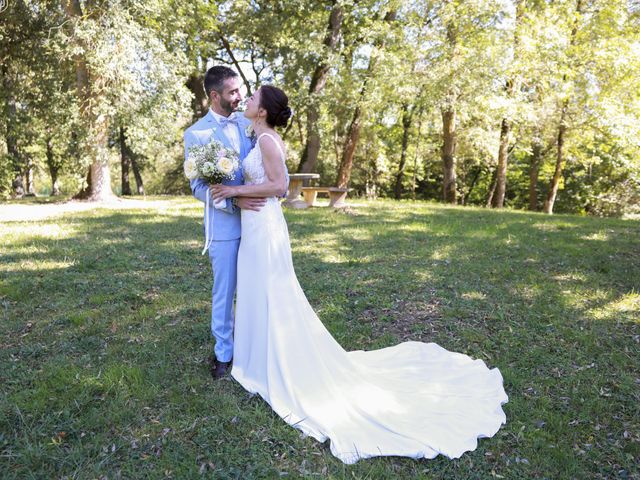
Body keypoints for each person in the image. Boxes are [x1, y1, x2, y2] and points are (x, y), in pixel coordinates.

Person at [211, 85, 508, 464]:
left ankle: (275, 362)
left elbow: (281, 186)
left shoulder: (268, 140)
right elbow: (248, 152)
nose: (247, 100)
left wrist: (235, 188)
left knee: (272, 292)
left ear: (264, 112)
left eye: (252, 98)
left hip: (265, 228)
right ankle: (255, 358)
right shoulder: (257, 133)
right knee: (258, 291)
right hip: (254, 228)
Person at [183, 66, 267, 379]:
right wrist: (233, 202)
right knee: (225, 290)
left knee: (258, 286)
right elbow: (198, 187)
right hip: (224, 228)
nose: (240, 97)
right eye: (233, 92)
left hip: (258, 223)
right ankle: (223, 354)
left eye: (241, 90)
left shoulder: (249, 125)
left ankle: (255, 345)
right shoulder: (196, 134)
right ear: (215, 95)